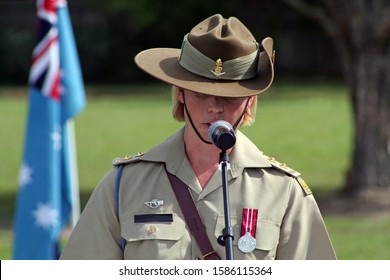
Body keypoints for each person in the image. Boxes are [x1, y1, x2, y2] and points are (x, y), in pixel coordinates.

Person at [60, 14, 336, 260]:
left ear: (250, 101)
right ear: (180, 93)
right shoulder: (124, 184)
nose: (215, 107)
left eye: (229, 96)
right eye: (200, 92)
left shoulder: (284, 191)